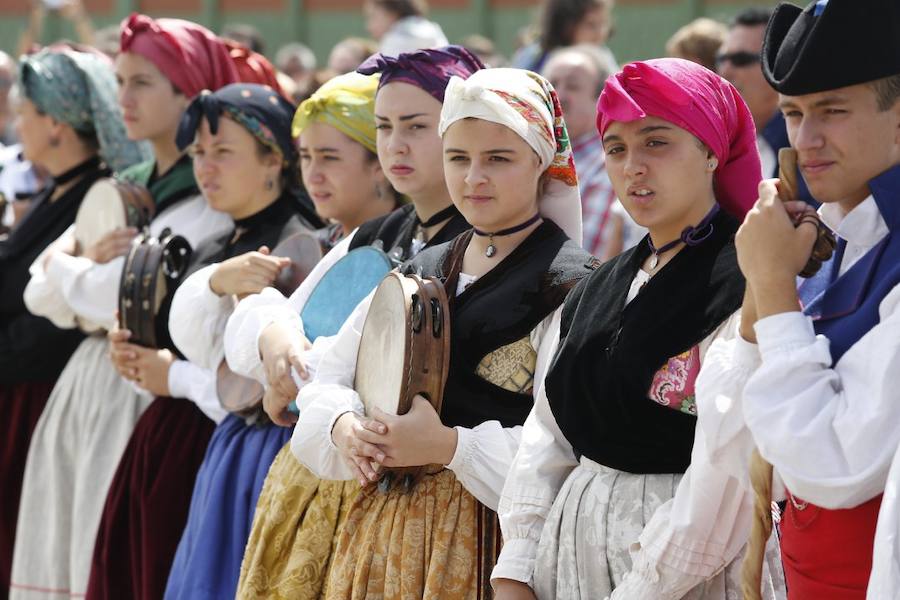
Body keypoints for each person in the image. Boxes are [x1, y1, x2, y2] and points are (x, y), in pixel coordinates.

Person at [292, 67, 593, 599]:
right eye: (458, 158)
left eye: (498, 159)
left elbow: (565, 446)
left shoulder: (568, 284)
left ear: (540, 162)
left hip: (491, 541)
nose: (474, 177)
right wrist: (343, 426)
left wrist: (451, 445)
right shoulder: (421, 268)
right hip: (383, 532)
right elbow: (329, 376)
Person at [492, 58, 785, 600]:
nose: (633, 167)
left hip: (687, 575)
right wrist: (517, 564)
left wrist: (645, 586)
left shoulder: (750, 279)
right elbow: (547, 434)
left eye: (657, 143)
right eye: (616, 148)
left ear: (711, 151)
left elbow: (725, 475)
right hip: (570, 564)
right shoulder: (598, 285)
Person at [231, 47, 483, 600]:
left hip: (418, 507)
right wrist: (277, 341)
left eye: (416, 126)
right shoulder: (379, 233)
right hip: (324, 477)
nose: (395, 144)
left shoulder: (478, 250)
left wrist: (303, 378)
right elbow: (279, 312)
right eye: (384, 126)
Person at [10, 15, 239, 600]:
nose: (124, 99)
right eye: (120, 82)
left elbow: (110, 295)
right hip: (88, 386)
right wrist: (84, 264)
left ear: (190, 93)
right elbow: (40, 293)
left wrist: (74, 267)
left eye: (143, 82)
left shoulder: (208, 197)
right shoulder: (126, 184)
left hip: (139, 392)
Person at [695, 0, 900, 597]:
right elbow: (732, 440)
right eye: (792, 112)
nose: (805, 139)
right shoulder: (821, 237)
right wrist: (766, 290)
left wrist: (773, 287)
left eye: (832, 110)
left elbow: (833, 466)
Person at [148, 82, 317, 600]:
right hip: (205, 446)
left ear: (274, 160)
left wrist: (175, 377)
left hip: (262, 448)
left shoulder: (296, 245)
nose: (206, 167)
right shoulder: (217, 243)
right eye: (199, 153)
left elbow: (266, 378)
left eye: (222, 152)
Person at [0, 46, 147, 600]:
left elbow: (60, 319)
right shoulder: (58, 189)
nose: (17, 124)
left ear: (57, 124)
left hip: (39, 391)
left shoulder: (98, 198)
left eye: (25, 112)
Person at [542, 44, 641, 260]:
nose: (558, 95)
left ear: (600, 99)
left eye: (573, 86)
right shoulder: (533, 157)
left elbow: (584, 259)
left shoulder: (609, 167)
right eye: (551, 85)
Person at [717, 7, 815, 206]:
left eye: (741, 60)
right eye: (721, 59)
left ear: (777, 65)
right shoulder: (718, 148)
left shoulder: (812, 143)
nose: (725, 71)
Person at [512, 0, 616, 75]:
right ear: (564, 24)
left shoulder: (603, 57)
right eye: (590, 24)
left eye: (604, 23)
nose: (600, 33)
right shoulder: (535, 57)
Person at [364, 0, 448, 57]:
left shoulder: (394, 41)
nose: (368, 27)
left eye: (373, 16)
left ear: (392, 14)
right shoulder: (432, 29)